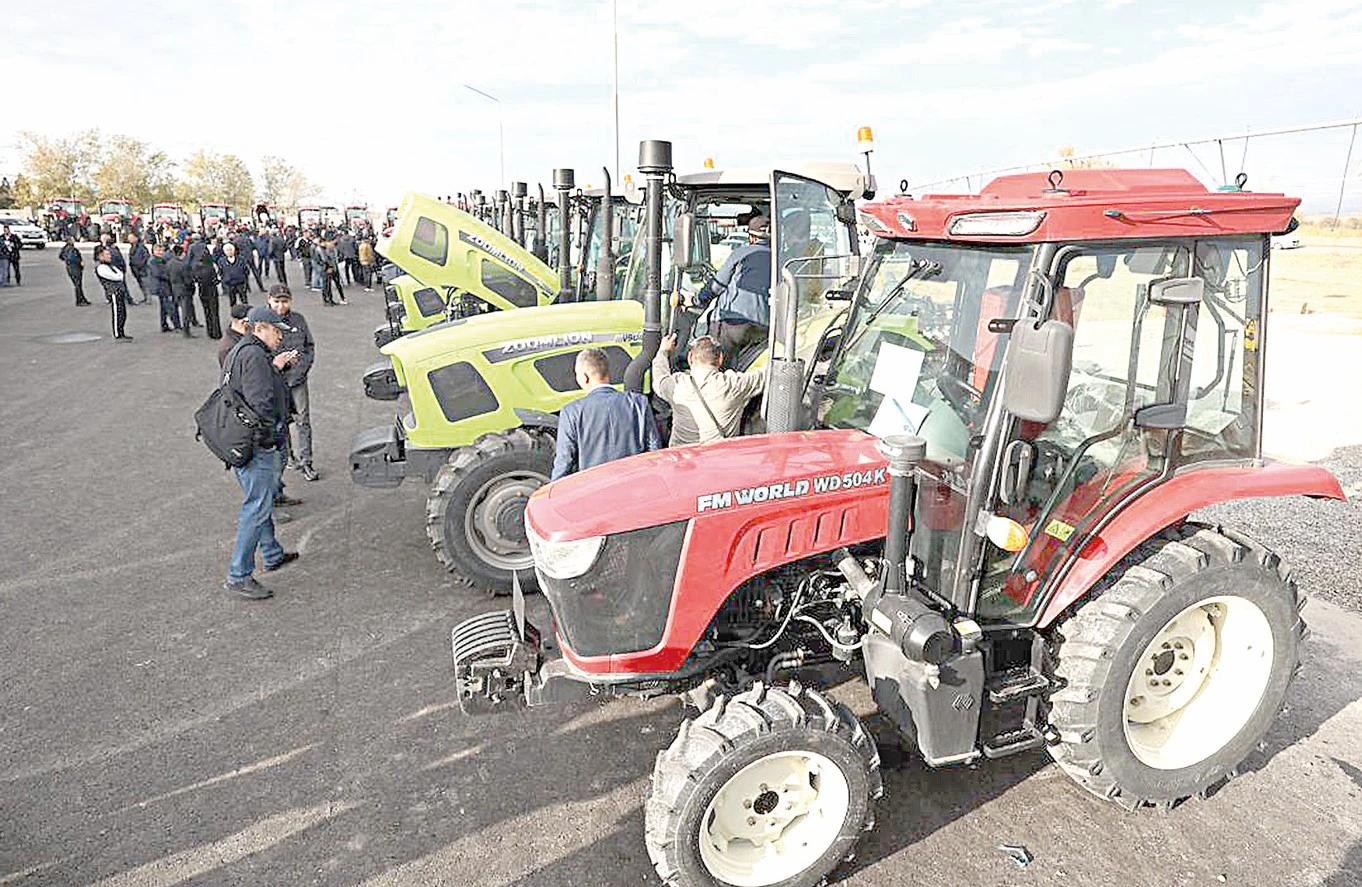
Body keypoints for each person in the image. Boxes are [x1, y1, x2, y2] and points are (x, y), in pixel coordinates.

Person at [221, 305, 301, 599]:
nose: (280, 337)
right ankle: (238, 575)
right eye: (276, 330)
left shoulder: (239, 351)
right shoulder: (255, 357)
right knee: (256, 508)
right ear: (258, 328)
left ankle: (271, 553)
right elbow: (262, 405)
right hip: (256, 447)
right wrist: (273, 435)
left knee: (260, 502)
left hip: (241, 444)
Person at [550, 348, 660, 480]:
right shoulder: (639, 403)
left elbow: (564, 461)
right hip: (634, 486)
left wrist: (552, 493)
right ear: (607, 372)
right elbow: (654, 449)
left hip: (595, 490)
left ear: (585, 377)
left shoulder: (571, 412)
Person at [652, 333, 766, 446]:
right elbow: (766, 374)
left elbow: (659, 379)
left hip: (683, 459)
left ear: (690, 358)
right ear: (720, 358)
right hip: (719, 457)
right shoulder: (733, 384)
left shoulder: (676, 385)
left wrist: (663, 351)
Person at [694, 214, 771, 368]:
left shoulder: (742, 253)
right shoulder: (779, 258)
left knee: (716, 365)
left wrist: (697, 300)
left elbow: (717, 286)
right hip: (763, 327)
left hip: (733, 323)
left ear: (751, 237)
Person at [267, 286, 319, 481]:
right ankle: (288, 455)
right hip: (275, 381)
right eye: (277, 301)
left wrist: (299, 372)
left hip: (297, 380)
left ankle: (307, 461)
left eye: (285, 301)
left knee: (303, 420)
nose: (281, 306)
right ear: (269, 300)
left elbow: (309, 347)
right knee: (282, 421)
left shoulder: (298, 320)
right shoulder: (263, 322)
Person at [94, 246, 133, 342]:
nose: (109, 256)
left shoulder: (110, 266)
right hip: (113, 292)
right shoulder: (101, 267)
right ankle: (117, 333)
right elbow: (117, 277)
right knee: (117, 313)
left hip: (119, 290)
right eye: (107, 254)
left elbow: (120, 275)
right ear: (100, 256)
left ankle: (121, 332)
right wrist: (119, 276)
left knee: (122, 313)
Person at [188, 235, 223, 339]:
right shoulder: (210, 267)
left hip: (202, 289)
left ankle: (210, 331)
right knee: (214, 311)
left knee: (206, 310)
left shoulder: (196, 268)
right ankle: (217, 332)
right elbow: (216, 279)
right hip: (212, 289)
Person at [167, 243, 199, 337]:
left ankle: (183, 327)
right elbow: (188, 280)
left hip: (175, 288)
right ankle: (186, 331)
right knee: (186, 311)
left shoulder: (169, 263)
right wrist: (192, 286)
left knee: (179, 308)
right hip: (184, 290)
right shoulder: (183, 265)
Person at [147, 243, 177, 332]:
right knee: (169, 306)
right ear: (153, 251)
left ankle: (164, 325)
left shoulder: (162, 259)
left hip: (163, 285)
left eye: (161, 250)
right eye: (158, 250)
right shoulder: (153, 261)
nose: (160, 252)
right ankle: (176, 325)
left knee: (164, 307)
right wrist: (170, 276)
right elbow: (158, 273)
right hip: (161, 286)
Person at [217, 241, 252, 307]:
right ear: (224, 252)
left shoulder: (241, 259)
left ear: (234, 250)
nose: (229, 251)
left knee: (244, 300)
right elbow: (220, 272)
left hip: (240, 282)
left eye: (231, 250)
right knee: (232, 300)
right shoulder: (221, 261)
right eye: (227, 250)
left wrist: (245, 280)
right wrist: (224, 280)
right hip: (229, 283)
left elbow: (246, 270)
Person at [60, 237, 90, 305]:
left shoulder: (64, 249)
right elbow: (72, 258)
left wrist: (66, 260)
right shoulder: (72, 249)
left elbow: (61, 256)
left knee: (77, 284)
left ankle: (82, 299)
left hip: (69, 267)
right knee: (78, 284)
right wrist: (80, 262)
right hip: (75, 267)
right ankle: (79, 300)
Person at [126, 232, 149, 304]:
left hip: (142, 269)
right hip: (135, 269)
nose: (130, 240)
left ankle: (148, 298)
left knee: (145, 284)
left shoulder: (141, 247)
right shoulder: (132, 247)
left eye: (131, 238)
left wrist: (140, 264)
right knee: (141, 284)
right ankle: (145, 297)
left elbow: (146, 257)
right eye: (129, 238)